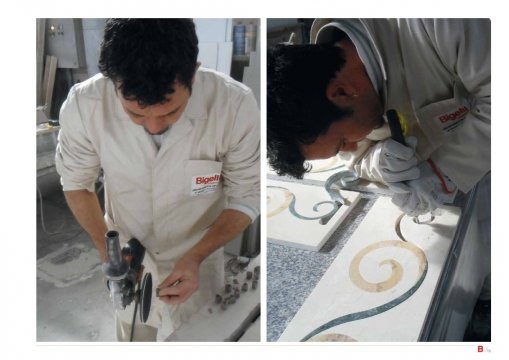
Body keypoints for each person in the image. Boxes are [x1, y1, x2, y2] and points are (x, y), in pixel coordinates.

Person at [55, 19, 260, 341]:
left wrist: (195, 257)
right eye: (135, 114)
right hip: (128, 256)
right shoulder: (85, 104)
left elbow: (248, 194)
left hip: (198, 259)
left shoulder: (233, 104)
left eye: (169, 111)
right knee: (134, 337)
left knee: (200, 337)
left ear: (193, 73)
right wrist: (107, 253)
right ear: (113, 83)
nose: (153, 126)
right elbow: (76, 183)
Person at [267, 19, 490, 217]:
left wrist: (447, 170)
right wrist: (381, 163)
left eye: (343, 142)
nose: (352, 146)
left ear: (342, 92)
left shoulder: (437, 22)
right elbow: (357, 159)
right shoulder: (333, 100)